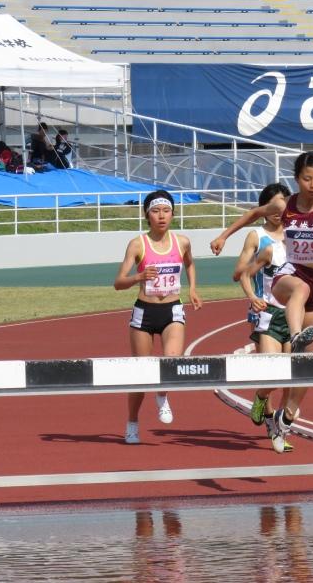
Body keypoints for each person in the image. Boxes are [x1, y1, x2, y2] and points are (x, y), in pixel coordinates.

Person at [211, 152, 313, 453]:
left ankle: (284, 418)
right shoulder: (284, 205)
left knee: (308, 368)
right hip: (290, 276)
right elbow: (251, 214)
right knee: (297, 288)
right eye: (306, 178)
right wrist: (224, 235)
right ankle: (297, 335)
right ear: (296, 179)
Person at [113, 190, 202, 445]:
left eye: (166, 211)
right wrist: (138, 277)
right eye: (155, 211)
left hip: (172, 309)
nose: (161, 216)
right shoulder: (138, 244)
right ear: (147, 215)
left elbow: (190, 264)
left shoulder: (182, 242)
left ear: (173, 213)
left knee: (171, 364)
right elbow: (118, 282)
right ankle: (132, 422)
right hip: (144, 312)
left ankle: (162, 395)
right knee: (141, 375)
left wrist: (193, 288)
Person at [233, 183, 294, 451]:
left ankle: (279, 426)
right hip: (264, 311)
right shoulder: (258, 237)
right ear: (266, 209)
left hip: (291, 313)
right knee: (274, 370)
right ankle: (271, 422)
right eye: (273, 206)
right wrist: (252, 293)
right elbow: (239, 272)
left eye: (283, 205)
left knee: (291, 375)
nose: (278, 211)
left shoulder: (296, 235)